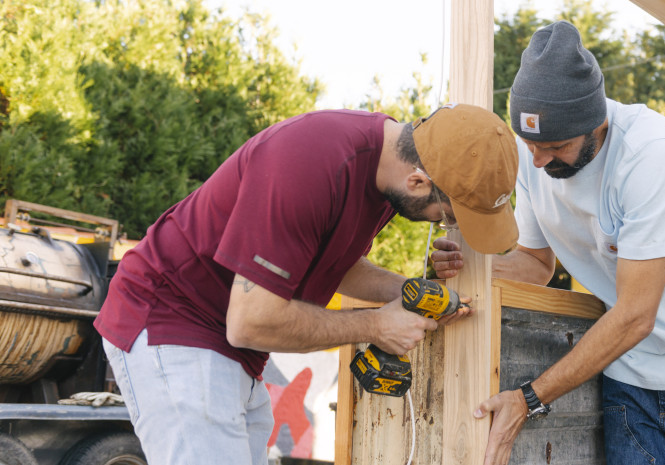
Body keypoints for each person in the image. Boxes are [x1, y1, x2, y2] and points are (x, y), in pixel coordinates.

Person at [431, 21, 665, 465]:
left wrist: (528, 398)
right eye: (529, 143)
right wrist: (469, 272)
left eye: (556, 146)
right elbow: (535, 263)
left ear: (595, 123)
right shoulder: (533, 158)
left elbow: (636, 314)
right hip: (631, 376)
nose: (538, 160)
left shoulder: (653, 155)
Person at [94, 103, 519, 464]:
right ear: (418, 182)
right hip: (173, 322)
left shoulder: (387, 176)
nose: (442, 224)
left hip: (231, 345)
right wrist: (377, 326)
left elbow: (335, 263)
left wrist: (407, 291)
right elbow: (251, 321)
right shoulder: (308, 163)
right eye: (445, 214)